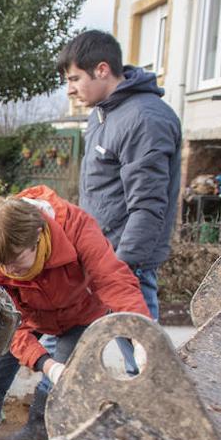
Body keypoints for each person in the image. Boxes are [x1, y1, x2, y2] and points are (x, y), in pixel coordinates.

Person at [0, 186, 150, 440]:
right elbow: (3, 318)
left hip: (79, 314)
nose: (7, 270)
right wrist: (44, 363)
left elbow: (114, 282)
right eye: (1, 264)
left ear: (39, 236)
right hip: (23, 317)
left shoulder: (78, 227)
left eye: (15, 261)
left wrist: (140, 336)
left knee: (62, 391)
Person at [60, 29, 181, 321]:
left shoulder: (144, 119)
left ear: (102, 70)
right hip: (96, 254)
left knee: (143, 355)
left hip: (124, 263)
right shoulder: (102, 115)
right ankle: (53, 368)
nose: (70, 90)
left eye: (75, 79)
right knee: (61, 335)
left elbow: (148, 204)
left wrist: (121, 266)